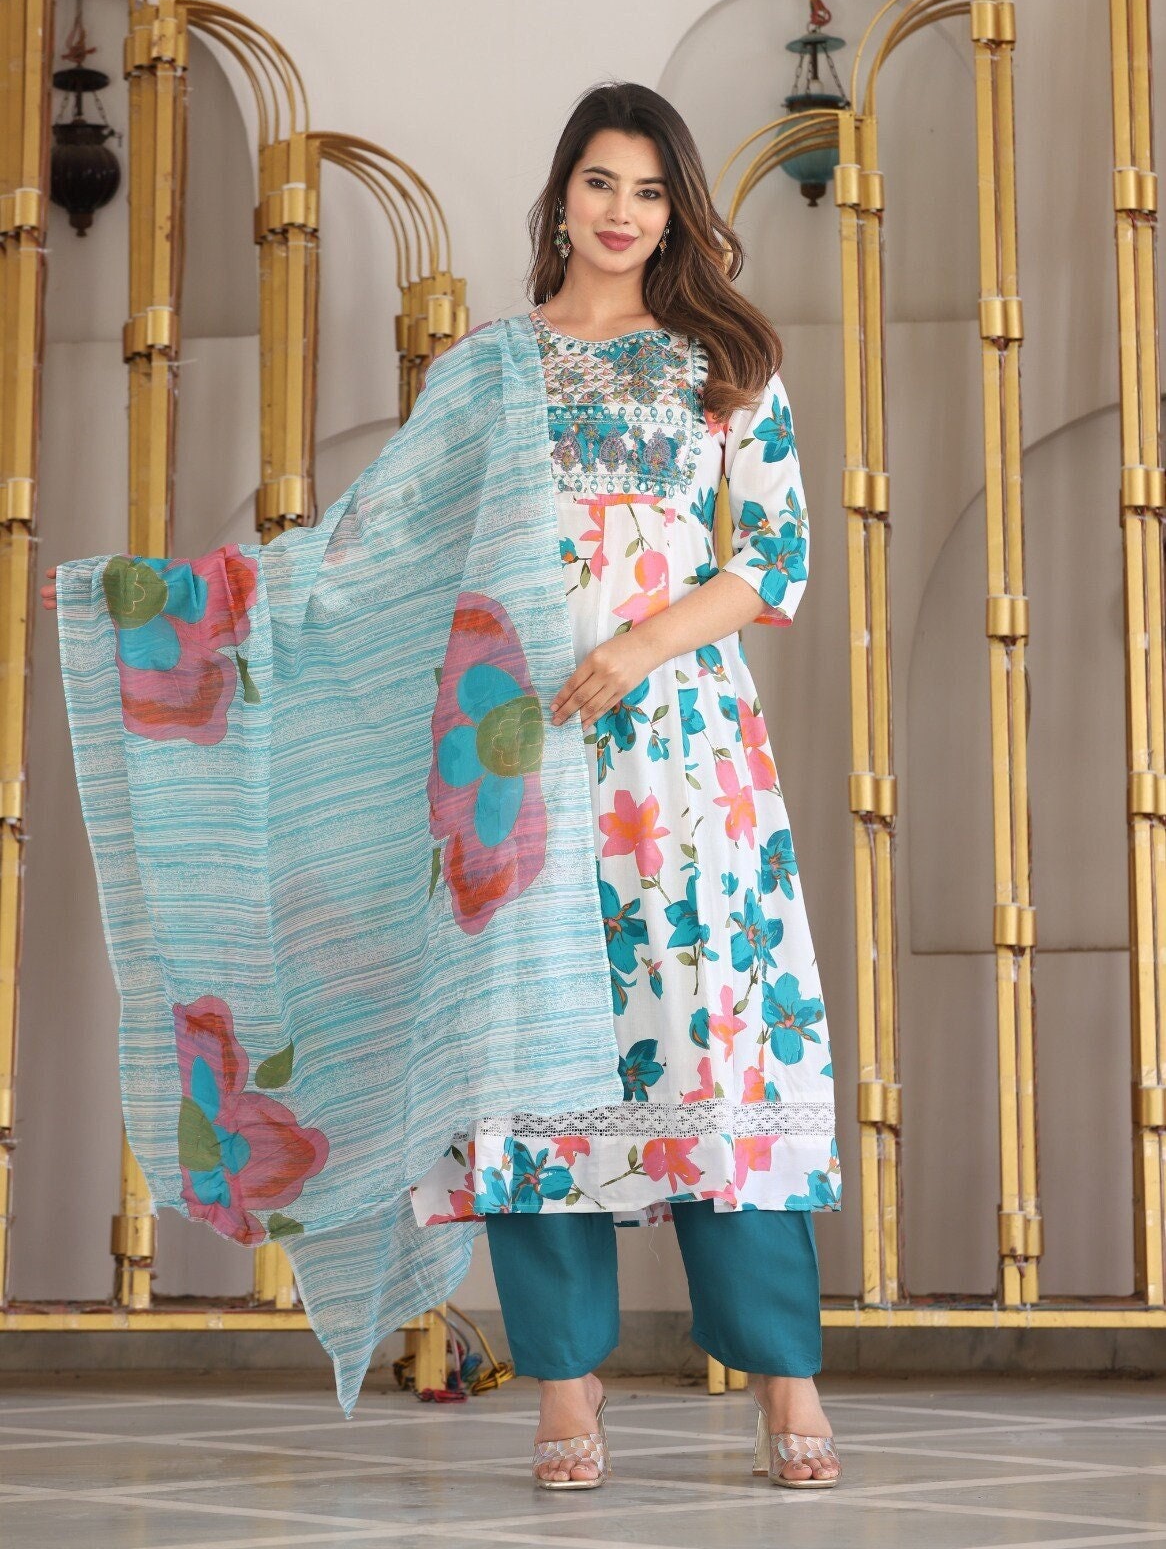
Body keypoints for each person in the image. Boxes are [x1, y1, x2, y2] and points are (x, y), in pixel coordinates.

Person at [42, 79, 841, 1491]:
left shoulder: (724, 358)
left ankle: (786, 1380)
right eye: (600, 183)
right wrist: (177, 608)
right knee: (522, 1070)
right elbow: (367, 552)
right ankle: (566, 1393)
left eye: (650, 191)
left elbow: (770, 559)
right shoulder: (489, 371)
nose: (622, 213)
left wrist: (638, 647)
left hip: (685, 763)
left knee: (718, 1053)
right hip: (513, 765)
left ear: (678, 214)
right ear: (561, 197)